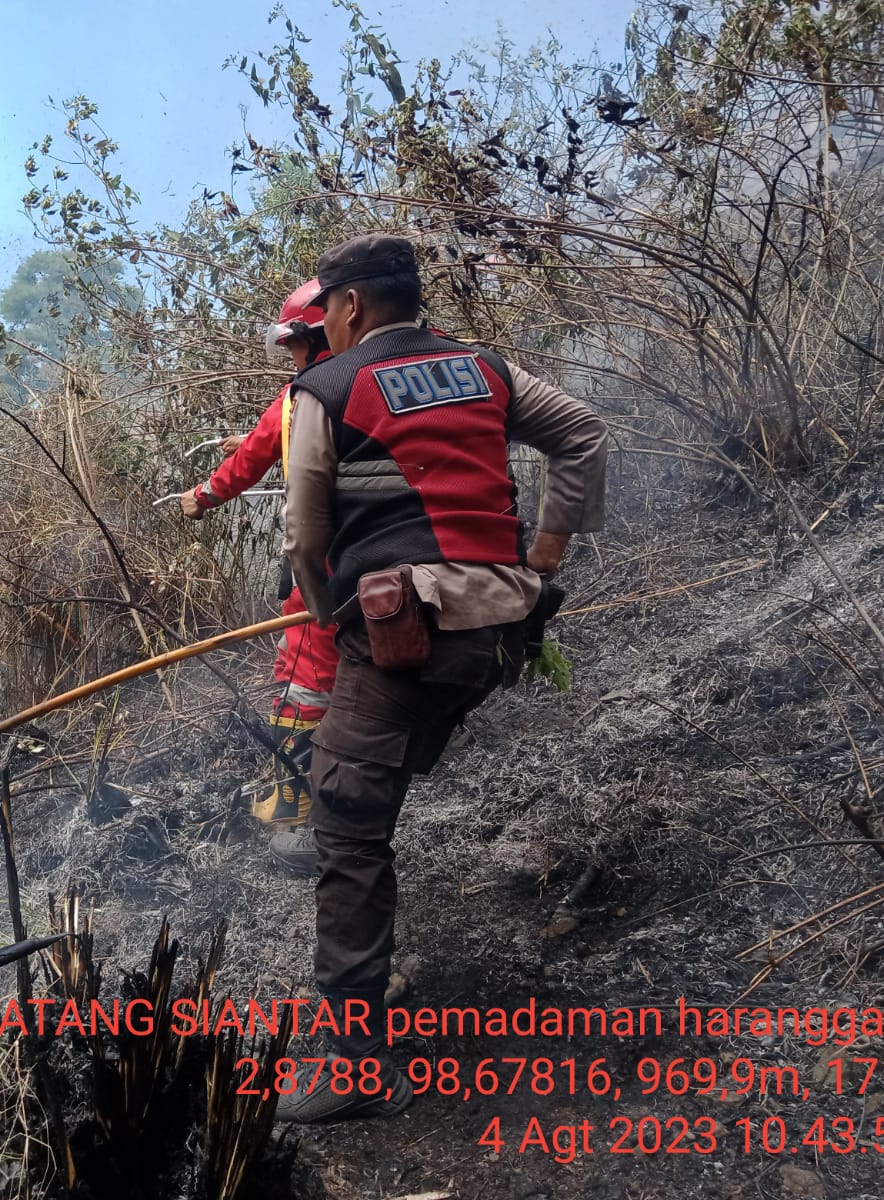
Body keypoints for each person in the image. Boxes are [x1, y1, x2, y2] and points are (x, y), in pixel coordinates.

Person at [271, 233, 609, 1124]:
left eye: (326, 315)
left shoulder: (325, 389)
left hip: (402, 637)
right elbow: (580, 433)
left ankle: (355, 1067)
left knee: (343, 818)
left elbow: (306, 540)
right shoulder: (485, 368)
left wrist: (326, 616)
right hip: (502, 628)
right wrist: (542, 553)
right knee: (388, 757)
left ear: (346, 308)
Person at [180, 280, 341, 830]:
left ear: (323, 335)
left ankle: (298, 801)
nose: (293, 360)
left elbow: (252, 459)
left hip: (327, 563)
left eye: (295, 346)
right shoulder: (402, 374)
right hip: (405, 561)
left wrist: (199, 498)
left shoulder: (308, 394)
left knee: (304, 675)